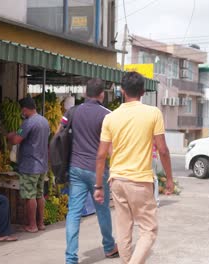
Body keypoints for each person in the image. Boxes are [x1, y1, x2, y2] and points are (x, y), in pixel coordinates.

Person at [94, 72, 174, 264]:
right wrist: (169, 179)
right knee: (149, 230)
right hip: (140, 181)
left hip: (117, 181)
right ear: (143, 91)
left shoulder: (111, 118)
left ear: (122, 91)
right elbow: (162, 150)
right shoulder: (153, 113)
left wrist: (98, 186)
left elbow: (101, 154)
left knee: (123, 230)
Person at [63, 78, 118, 264]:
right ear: (102, 94)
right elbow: (112, 146)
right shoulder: (107, 115)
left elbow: (59, 132)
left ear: (86, 93)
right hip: (98, 170)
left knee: (73, 213)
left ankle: (71, 258)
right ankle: (109, 247)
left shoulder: (72, 111)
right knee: (102, 210)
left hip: (75, 168)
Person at [7, 96, 50, 233]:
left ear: (25, 110)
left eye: (22, 110)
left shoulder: (28, 123)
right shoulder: (44, 121)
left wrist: (10, 135)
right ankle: (41, 223)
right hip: (42, 164)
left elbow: (16, 140)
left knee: (30, 196)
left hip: (30, 165)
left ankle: (32, 225)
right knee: (39, 194)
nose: (21, 113)